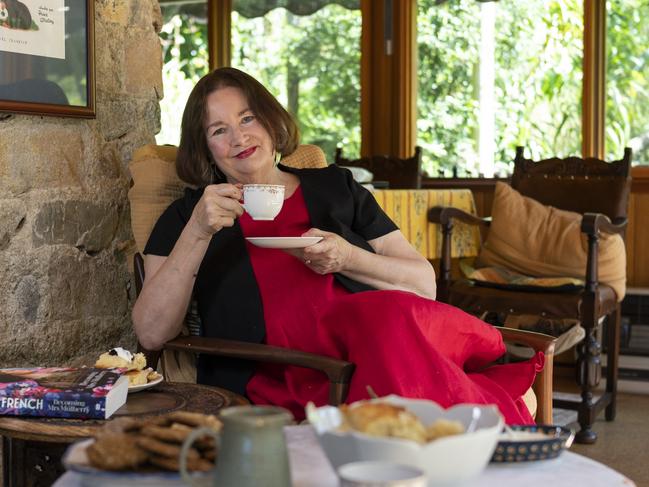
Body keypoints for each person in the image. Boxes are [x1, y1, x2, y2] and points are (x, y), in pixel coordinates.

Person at [132, 67, 543, 424]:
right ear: (206, 148)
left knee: (391, 314)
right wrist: (200, 233)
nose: (239, 137)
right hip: (285, 372)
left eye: (247, 118)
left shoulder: (337, 187)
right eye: (219, 130)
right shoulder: (191, 215)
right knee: (404, 330)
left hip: (377, 347)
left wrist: (347, 257)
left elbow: (423, 283)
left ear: (271, 121)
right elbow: (151, 334)